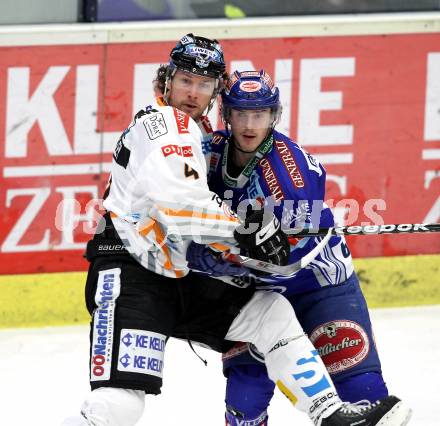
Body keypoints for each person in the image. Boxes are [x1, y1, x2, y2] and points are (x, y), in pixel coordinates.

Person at [63, 36, 408, 426]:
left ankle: (330, 414)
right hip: (132, 271)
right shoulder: (167, 125)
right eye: (186, 80)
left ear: (216, 93)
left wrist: (251, 236)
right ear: (167, 80)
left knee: (269, 315)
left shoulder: (197, 132)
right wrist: (246, 229)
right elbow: (183, 206)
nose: (193, 92)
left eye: (204, 84)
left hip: (177, 272)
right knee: (119, 405)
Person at [187, 69, 412, 426]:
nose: (249, 124)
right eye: (241, 114)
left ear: (272, 116)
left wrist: (229, 259)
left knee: (360, 388)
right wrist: (202, 253)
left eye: (259, 115)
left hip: (317, 286)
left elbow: (290, 258)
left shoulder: (291, 174)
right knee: (244, 398)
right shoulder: (207, 153)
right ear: (226, 115)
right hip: (255, 296)